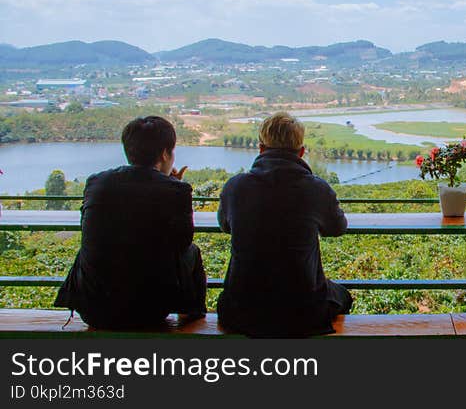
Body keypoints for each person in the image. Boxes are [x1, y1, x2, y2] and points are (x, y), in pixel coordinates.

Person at [54, 116, 207, 329]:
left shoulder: (97, 182)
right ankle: (192, 312)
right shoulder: (177, 190)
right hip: (149, 312)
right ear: (165, 153)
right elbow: (182, 243)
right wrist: (173, 184)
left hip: (92, 309)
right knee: (192, 251)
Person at [217, 112, 351, 337]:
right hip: (303, 313)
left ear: (260, 149)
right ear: (301, 152)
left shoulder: (235, 187)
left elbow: (225, 226)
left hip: (239, 311)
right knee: (342, 296)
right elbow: (338, 228)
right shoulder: (316, 189)